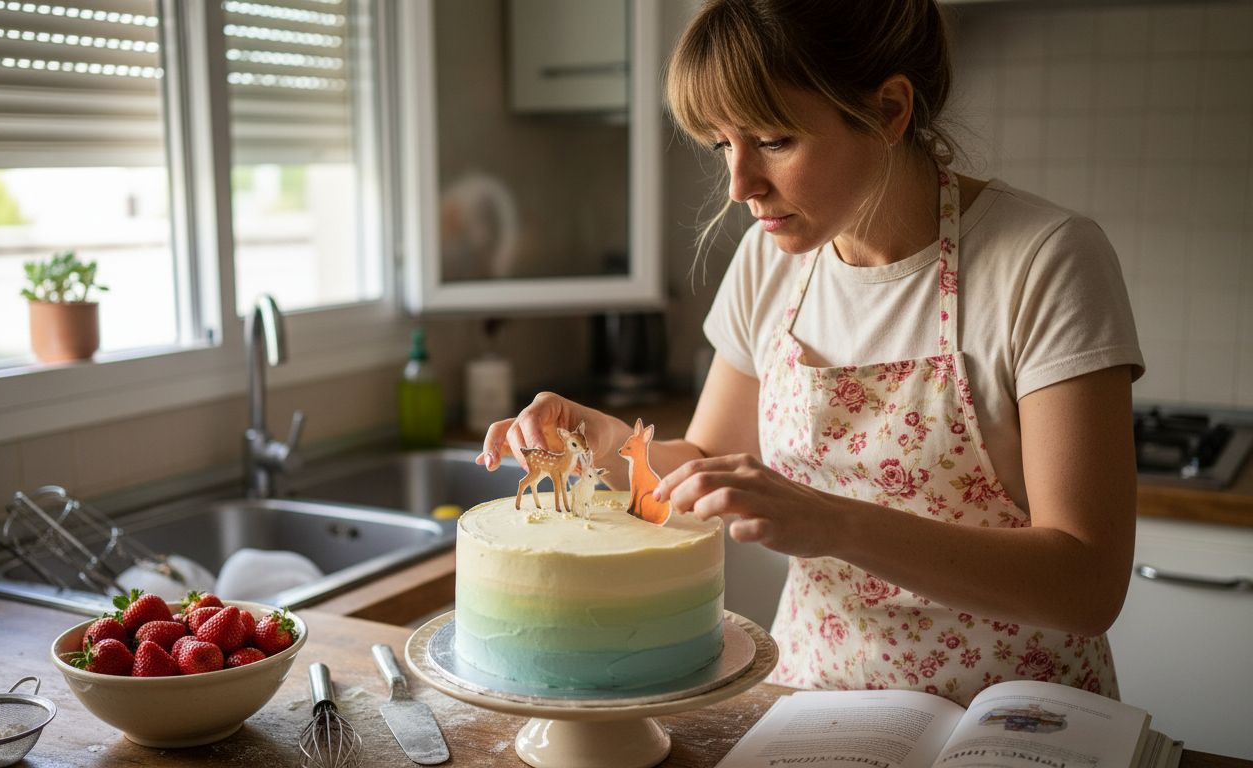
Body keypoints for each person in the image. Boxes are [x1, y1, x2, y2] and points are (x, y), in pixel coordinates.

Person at [476, 0, 1144, 707]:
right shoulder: (772, 263)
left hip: (1014, 719)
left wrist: (833, 521)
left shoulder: (1045, 260)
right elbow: (707, 465)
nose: (740, 186)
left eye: (772, 139)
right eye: (719, 146)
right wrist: (613, 449)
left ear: (889, 110)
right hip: (811, 703)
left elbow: (1087, 585)